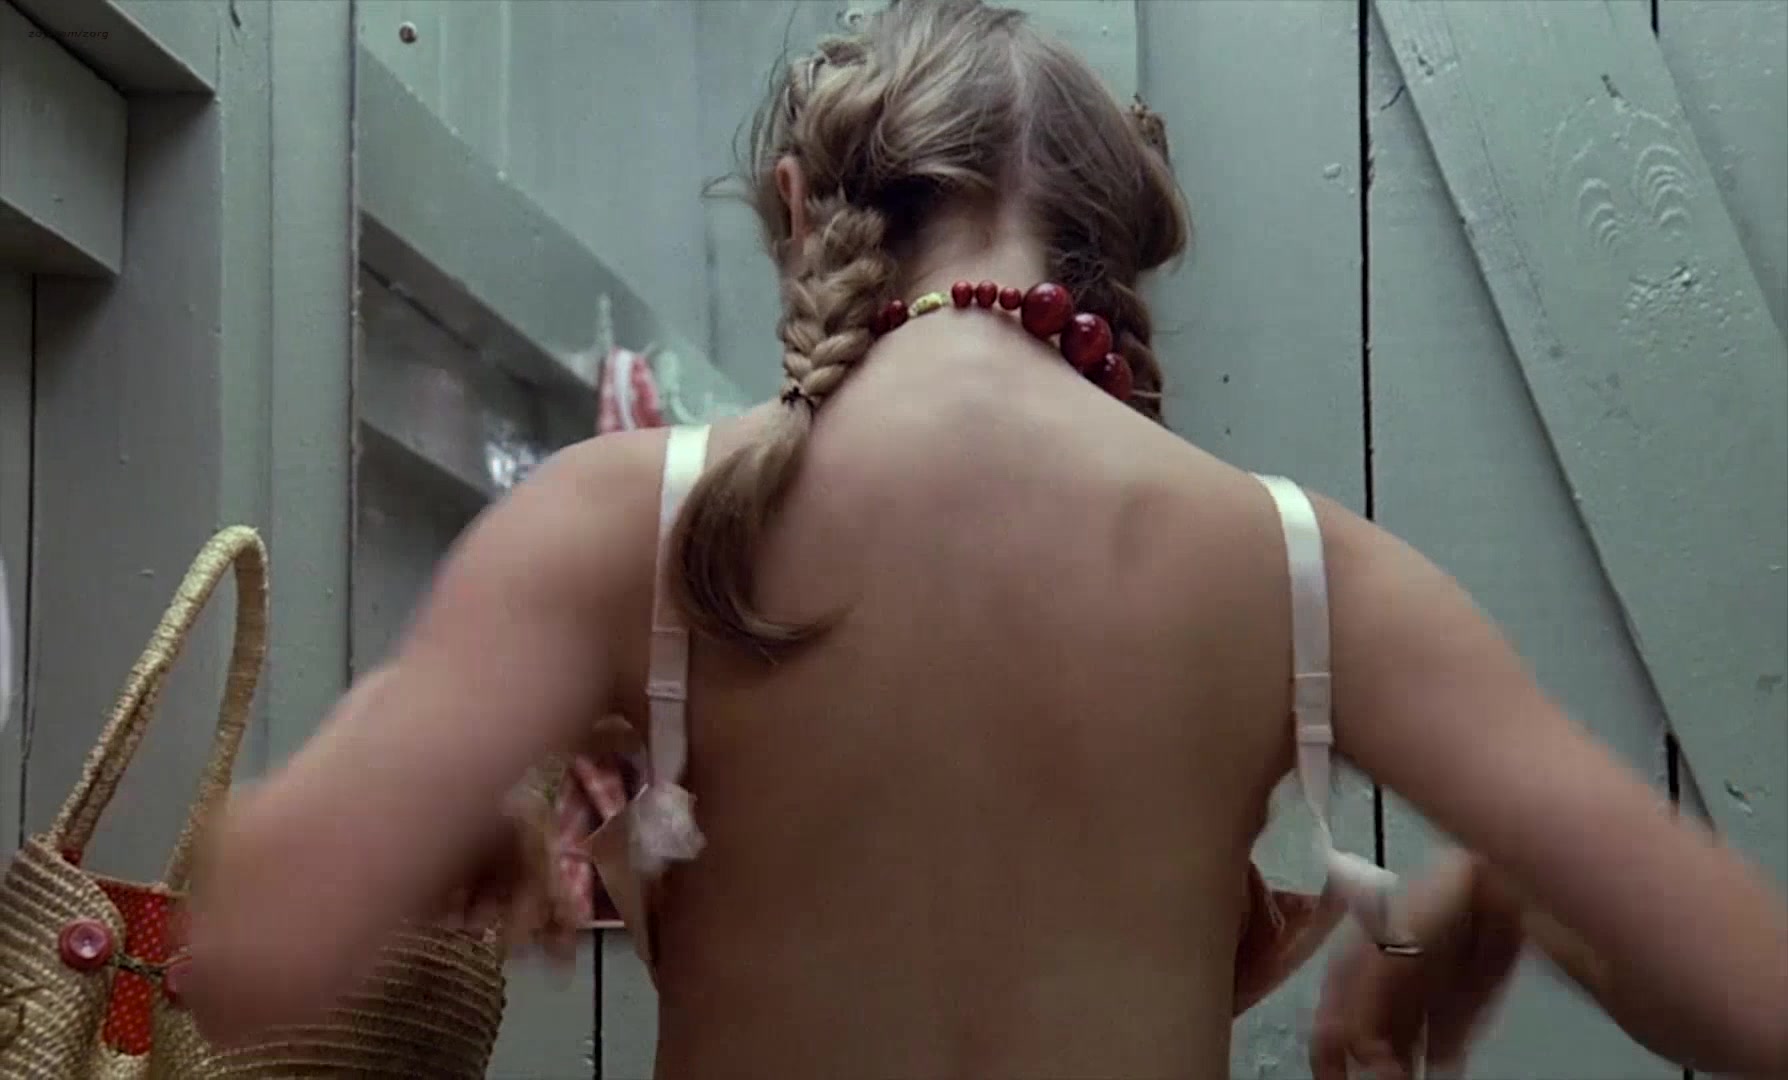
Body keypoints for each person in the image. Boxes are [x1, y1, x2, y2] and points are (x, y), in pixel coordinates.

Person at [184, 1, 1788, 1076]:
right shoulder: (1300, 575)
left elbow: (243, 954)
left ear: (802, 209)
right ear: (1118, 253)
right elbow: (1757, 1002)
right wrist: (1507, 889)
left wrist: (459, 817)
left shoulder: (627, 524)